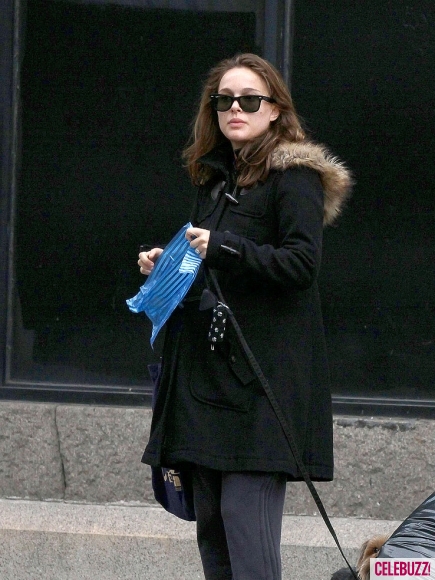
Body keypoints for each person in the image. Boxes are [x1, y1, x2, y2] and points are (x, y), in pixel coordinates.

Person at [138, 53, 353, 580]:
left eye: (250, 100)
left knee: (245, 525)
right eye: (224, 100)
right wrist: (169, 267)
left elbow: (301, 265)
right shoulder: (215, 180)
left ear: (275, 109)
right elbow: (210, 272)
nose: (236, 109)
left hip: (262, 383)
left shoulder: (294, 177)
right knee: (211, 528)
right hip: (207, 382)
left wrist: (223, 247)